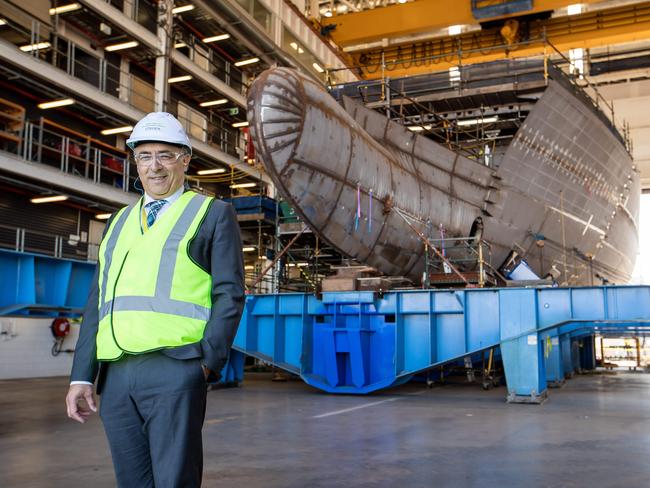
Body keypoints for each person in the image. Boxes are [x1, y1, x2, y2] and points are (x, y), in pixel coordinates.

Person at [65, 112, 245, 487]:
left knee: (173, 479)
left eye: (165, 154)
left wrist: (207, 362)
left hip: (176, 367)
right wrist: (82, 375)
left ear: (185, 159)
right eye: (145, 156)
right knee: (132, 480)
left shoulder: (211, 214)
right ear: (135, 161)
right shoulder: (117, 222)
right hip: (116, 375)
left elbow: (229, 293)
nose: (155, 166)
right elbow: (98, 303)